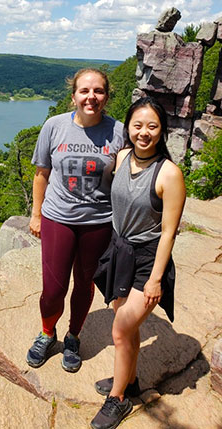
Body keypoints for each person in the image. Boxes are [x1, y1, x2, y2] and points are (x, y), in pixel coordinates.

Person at [91, 96, 186, 429]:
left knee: (120, 329)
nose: (143, 132)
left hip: (147, 261)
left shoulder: (169, 174)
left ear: (161, 131)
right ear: (128, 127)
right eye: (137, 125)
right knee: (126, 325)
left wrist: (156, 279)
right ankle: (128, 381)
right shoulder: (120, 157)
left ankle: (118, 401)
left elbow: (168, 234)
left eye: (152, 126)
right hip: (120, 252)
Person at [26, 68, 124, 372]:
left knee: (84, 284)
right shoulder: (54, 127)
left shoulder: (119, 132)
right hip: (58, 218)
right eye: (84, 91)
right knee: (53, 289)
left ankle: (73, 337)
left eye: (98, 91)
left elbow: (127, 177)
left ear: (106, 96)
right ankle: (47, 333)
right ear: (73, 97)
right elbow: (41, 174)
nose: (91, 97)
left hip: (98, 222)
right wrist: (36, 214)